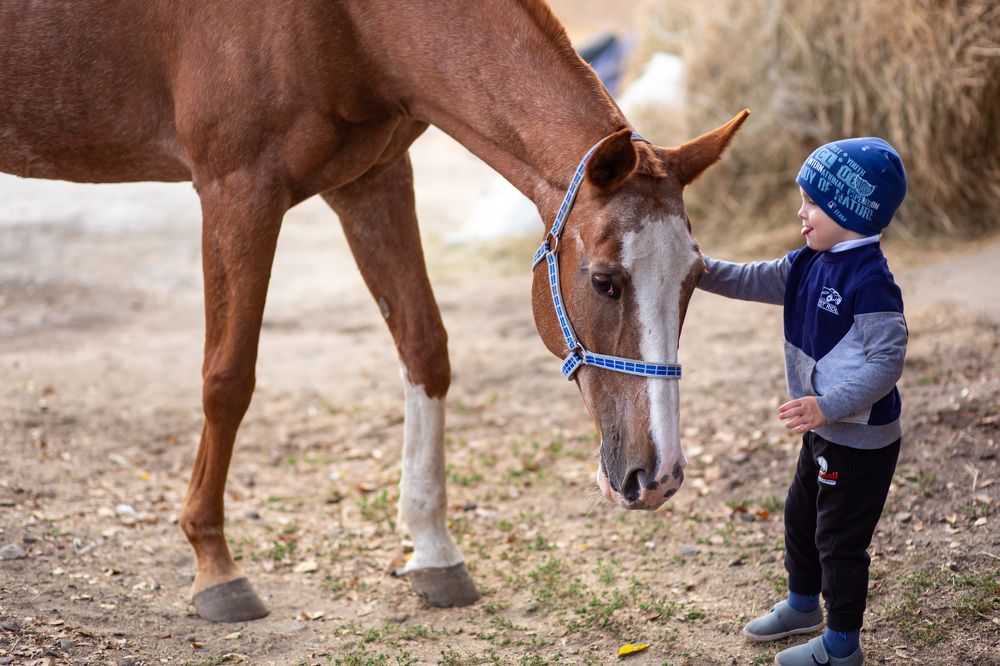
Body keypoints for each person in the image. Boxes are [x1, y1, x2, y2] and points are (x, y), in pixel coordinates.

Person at [697, 137, 908, 666]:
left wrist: (827, 405)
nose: (801, 211)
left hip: (859, 439)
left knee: (838, 539)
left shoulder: (872, 281)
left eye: (813, 202)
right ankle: (801, 605)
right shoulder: (807, 263)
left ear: (848, 210)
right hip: (824, 428)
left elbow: (887, 364)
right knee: (800, 515)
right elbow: (750, 278)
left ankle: (842, 647)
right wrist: (696, 269)